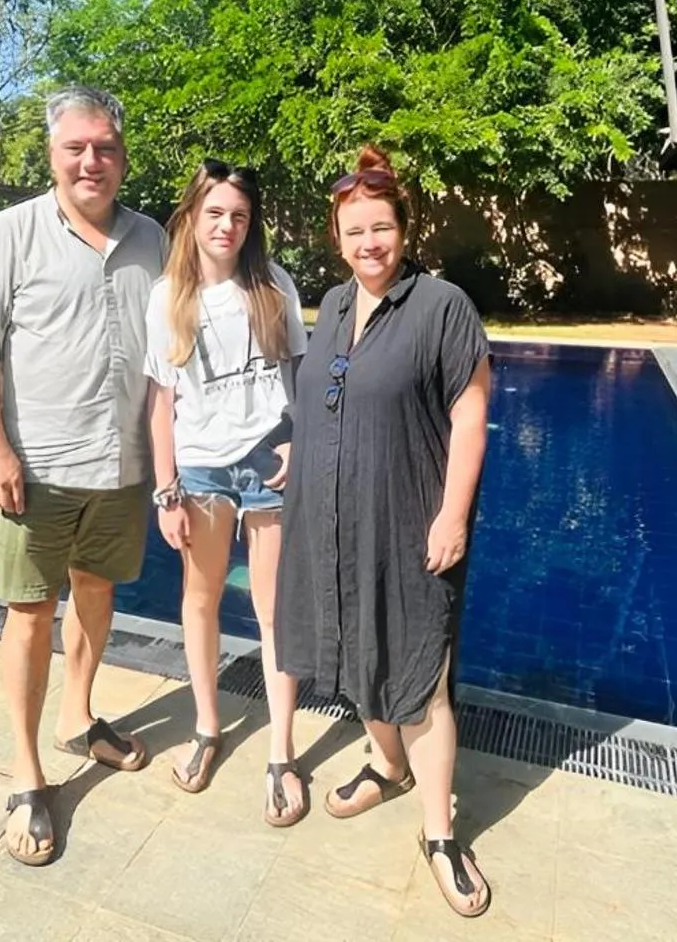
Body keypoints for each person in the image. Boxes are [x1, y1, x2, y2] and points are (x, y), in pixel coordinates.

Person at [0, 86, 166, 868]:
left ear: (122, 156)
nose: (90, 161)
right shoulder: (8, 234)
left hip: (121, 466)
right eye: (75, 147)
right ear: (50, 154)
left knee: (98, 594)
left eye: (104, 147)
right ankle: (27, 769)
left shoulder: (153, 240)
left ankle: (78, 714)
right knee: (31, 613)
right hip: (34, 469)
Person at [274, 145, 494, 917]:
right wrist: (295, 446)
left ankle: (438, 833)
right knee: (357, 656)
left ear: (404, 229)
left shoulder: (441, 307)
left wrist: (451, 514)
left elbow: (469, 416)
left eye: (381, 228)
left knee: (420, 677)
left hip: (407, 521)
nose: (368, 243)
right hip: (328, 518)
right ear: (336, 239)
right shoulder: (333, 305)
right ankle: (385, 765)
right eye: (354, 231)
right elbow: (324, 398)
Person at [143, 158, 311, 826]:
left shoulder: (272, 285)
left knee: (274, 611)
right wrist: (165, 490)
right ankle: (207, 729)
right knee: (201, 599)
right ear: (191, 216)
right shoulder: (167, 298)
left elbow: (301, 380)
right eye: (214, 212)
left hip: (266, 459)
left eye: (238, 215)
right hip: (201, 472)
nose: (227, 226)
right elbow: (160, 403)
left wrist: (298, 438)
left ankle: (281, 751)